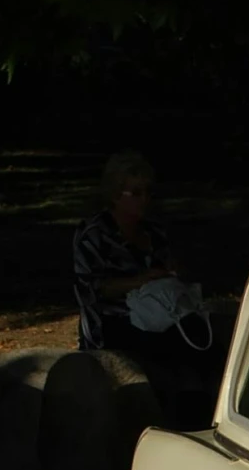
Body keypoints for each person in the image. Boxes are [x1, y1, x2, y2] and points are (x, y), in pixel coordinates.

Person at [70, 152, 224, 427]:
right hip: (115, 319)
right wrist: (144, 279)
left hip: (160, 311)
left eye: (148, 192)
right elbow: (95, 289)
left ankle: (202, 410)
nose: (145, 200)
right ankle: (187, 418)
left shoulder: (152, 232)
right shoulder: (94, 235)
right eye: (136, 193)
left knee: (203, 335)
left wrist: (173, 275)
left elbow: (170, 270)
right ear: (116, 195)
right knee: (174, 350)